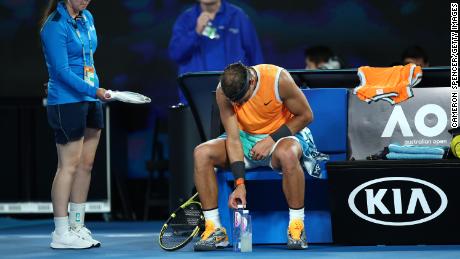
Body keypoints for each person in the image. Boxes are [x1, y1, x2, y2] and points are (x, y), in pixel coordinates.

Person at [193, 62, 327, 251]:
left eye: (241, 100)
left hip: (283, 134)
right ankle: (214, 228)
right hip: (244, 138)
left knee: (288, 153)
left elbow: (305, 116)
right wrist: (240, 184)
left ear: (252, 81)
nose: (237, 105)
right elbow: (232, 139)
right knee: (202, 152)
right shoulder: (224, 91)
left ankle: (297, 227)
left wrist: (271, 140)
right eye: (234, 102)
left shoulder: (278, 79)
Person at [40, 0, 110, 249]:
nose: (86, 0)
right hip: (67, 103)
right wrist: (94, 90)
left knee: (86, 165)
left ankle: (77, 226)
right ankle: (60, 232)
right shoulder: (54, 26)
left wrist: (94, 92)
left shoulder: (87, 17)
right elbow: (61, 72)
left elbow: (87, 57)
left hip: (91, 100)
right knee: (67, 166)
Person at [168, 0, 264, 104]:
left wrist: (256, 96)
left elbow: (256, 59)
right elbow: (175, 54)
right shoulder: (185, 19)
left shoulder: (238, 16)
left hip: (236, 98)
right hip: (197, 100)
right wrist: (196, 32)